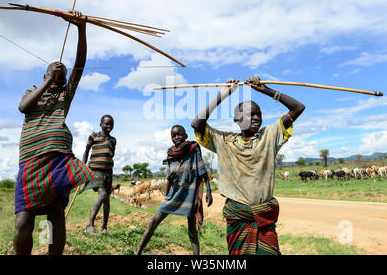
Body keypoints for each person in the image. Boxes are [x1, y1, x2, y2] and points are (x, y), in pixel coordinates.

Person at [191, 76, 305, 255]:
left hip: (264, 216)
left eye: (259, 114)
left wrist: (265, 90)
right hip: (238, 217)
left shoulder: (269, 135)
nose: (257, 117)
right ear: (237, 119)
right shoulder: (223, 140)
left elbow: (298, 108)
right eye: (251, 114)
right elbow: (197, 124)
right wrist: (223, 95)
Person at [14, 11, 96, 255]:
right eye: (52, 71)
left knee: (55, 217)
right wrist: (49, 79)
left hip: (58, 161)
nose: (59, 72)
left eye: (61, 72)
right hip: (31, 163)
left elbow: (80, 66)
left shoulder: (64, 95)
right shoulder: (32, 92)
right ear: (44, 76)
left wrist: (81, 29)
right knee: (23, 222)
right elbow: (23, 108)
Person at [136, 125, 213, 255]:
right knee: (153, 221)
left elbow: (202, 170)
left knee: (192, 232)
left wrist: (209, 190)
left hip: (190, 193)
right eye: (174, 135)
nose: (177, 137)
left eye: (180, 134)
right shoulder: (170, 153)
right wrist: (170, 178)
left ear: (186, 136)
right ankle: (138, 252)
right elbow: (169, 174)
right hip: (174, 193)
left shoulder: (193, 149)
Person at [80, 115, 117, 236]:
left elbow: (111, 155)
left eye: (111, 124)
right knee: (103, 194)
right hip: (95, 171)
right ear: (100, 124)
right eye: (106, 124)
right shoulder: (93, 136)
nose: (108, 126)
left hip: (108, 172)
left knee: (107, 200)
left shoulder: (113, 140)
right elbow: (86, 152)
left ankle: (104, 227)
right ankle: (89, 225)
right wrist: (83, 166)